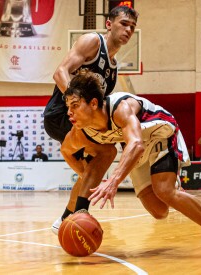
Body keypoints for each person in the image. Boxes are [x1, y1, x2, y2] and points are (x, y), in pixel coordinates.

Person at [60, 70, 201, 258]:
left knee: (164, 190)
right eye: (68, 107)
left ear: (93, 103)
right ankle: (177, 193)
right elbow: (66, 151)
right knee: (159, 211)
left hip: (159, 134)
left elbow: (137, 144)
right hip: (136, 150)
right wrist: (83, 173)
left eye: (75, 105)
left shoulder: (120, 108)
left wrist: (113, 181)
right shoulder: (81, 131)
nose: (69, 112)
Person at [43, 5, 139, 233]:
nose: (128, 30)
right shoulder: (93, 42)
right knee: (107, 152)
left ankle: (65, 222)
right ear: (109, 24)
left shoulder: (113, 71)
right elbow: (59, 73)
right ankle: (73, 215)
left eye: (132, 27)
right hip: (60, 115)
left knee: (94, 168)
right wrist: (75, 105)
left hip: (79, 121)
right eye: (124, 24)